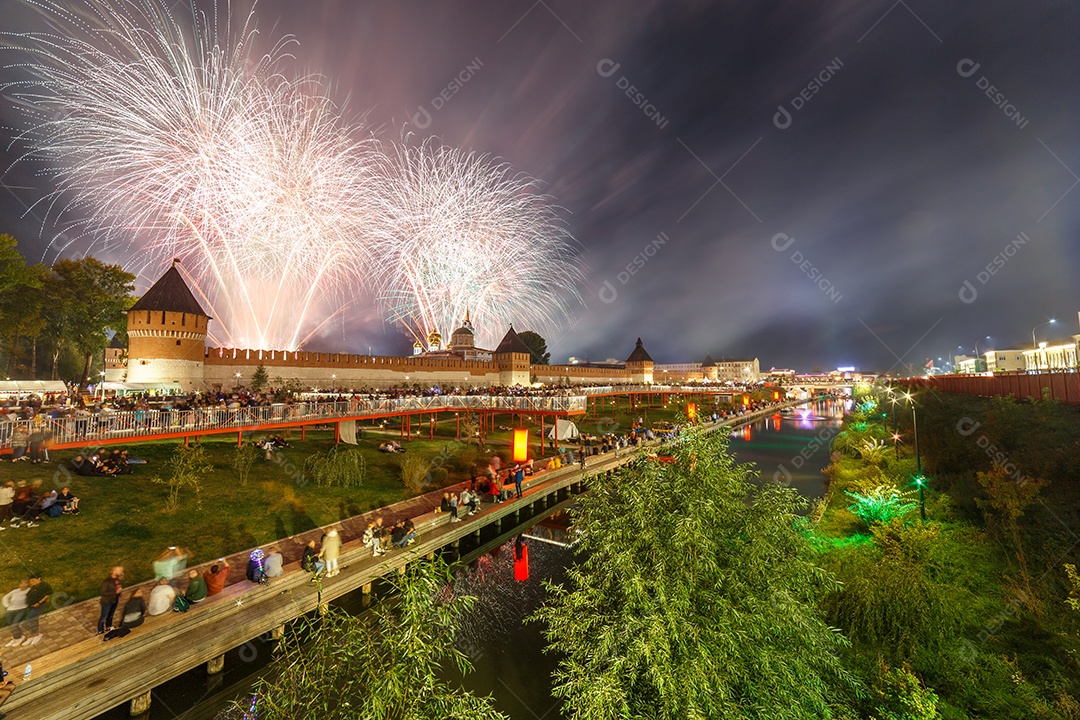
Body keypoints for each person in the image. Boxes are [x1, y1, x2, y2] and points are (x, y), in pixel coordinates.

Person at [20, 574, 52, 645]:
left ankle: (36, 635)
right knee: (34, 620)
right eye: (30, 582)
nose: (31, 583)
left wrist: (39, 603)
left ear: (39, 578)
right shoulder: (34, 587)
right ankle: (34, 635)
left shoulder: (44, 585)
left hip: (38, 605)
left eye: (33, 580)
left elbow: (47, 595)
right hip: (30, 606)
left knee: (27, 622)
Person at [97, 566, 124, 634]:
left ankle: (108, 626)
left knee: (111, 614)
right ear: (114, 571)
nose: (121, 572)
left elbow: (117, 585)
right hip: (107, 602)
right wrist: (115, 592)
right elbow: (103, 593)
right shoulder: (107, 581)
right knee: (104, 616)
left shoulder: (116, 579)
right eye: (120, 570)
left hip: (114, 600)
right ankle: (100, 630)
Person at [1, 580, 28, 647]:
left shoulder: (28, 591)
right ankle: (16, 637)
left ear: (27, 584)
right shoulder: (15, 591)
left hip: (21, 609)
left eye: (24, 583)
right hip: (11, 610)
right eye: (21, 583)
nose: (22, 585)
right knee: (10, 624)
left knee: (15, 624)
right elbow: (5, 597)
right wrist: (7, 605)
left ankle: (19, 638)